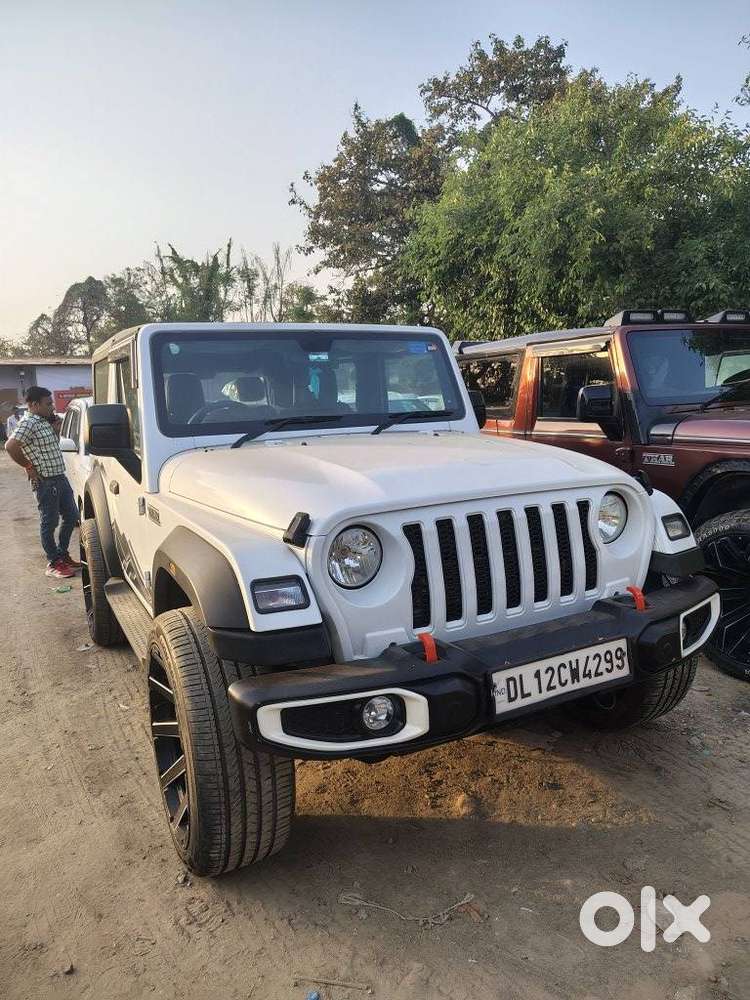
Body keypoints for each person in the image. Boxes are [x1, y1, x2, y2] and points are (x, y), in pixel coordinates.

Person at [5, 386, 80, 579]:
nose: (52, 406)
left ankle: (62, 554)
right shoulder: (29, 422)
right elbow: (11, 446)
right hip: (46, 482)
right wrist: (29, 467)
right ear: (34, 405)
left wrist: (55, 431)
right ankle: (54, 563)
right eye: (48, 403)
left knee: (72, 515)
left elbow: (48, 447)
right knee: (50, 522)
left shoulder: (44, 420)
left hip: (59, 477)